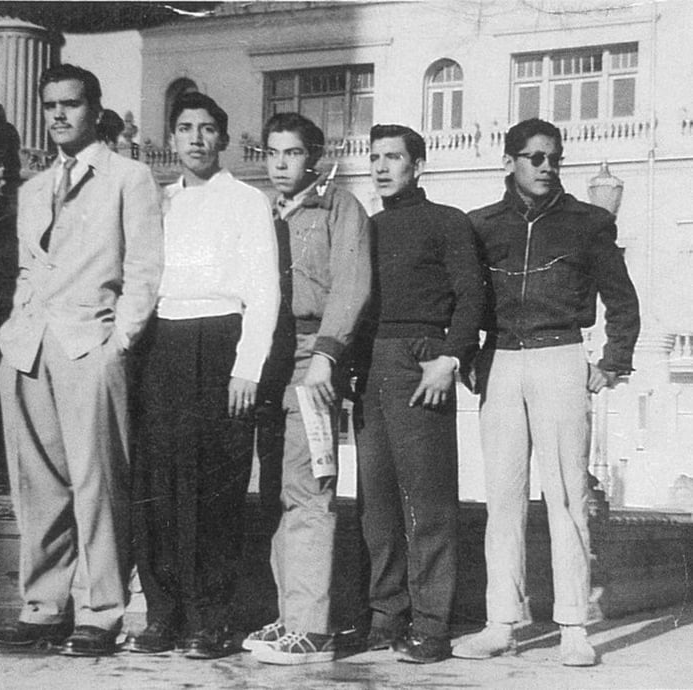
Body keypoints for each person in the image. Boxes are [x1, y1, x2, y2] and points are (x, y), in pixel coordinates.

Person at [452, 118, 640, 667]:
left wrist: (613, 361)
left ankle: (574, 627)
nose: (546, 166)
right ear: (509, 161)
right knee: (503, 499)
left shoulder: (588, 222)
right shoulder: (480, 225)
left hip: (561, 357)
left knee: (566, 497)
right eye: (533, 157)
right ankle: (500, 623)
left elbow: (621, 301)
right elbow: (464, 301)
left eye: (553, 157)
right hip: (502, 361)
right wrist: (466, 356)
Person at [0, 64, 163, 657]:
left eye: (70, 104)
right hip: (28, 348)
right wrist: (13, 334)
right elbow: (26, 270)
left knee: (99, 483)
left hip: (91, 344)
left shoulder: (129, 177)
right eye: (50, 105)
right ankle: (42, 606)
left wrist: (121, 342)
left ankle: (102, 609)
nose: (59, 115)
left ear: (93, 108)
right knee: (36, 486)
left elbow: (143, 269)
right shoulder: (33, 189)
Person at [129, 92, 279, 660]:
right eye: (185, 128)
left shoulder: (246, 200)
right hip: (161, 346)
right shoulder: (157, 202)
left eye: (207, 128)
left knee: (214, 490)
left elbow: (264, 290)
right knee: (157, 486)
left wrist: (247, 366)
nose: (195, 138)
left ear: (222, 138)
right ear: (170, 138)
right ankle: (163, 614)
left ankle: (210, 619)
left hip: (220, 343)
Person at [355, 124, 485, 664]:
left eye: (394, 158)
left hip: (421, 360)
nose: (382, 167)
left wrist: (450, 358)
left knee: (427, 501)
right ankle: (386, 617)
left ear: (418, 166)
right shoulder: (367, 227)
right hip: (372, 365)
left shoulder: (447, 223)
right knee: (376, 504)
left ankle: (432, 624)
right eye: (375, 157)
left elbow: (472, 294)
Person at [244, 113, 371, 665]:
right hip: (267, 357)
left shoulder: (340, 207)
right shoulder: (261, 210)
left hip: (314, 356)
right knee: (275, 489)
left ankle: (312, 628)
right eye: (271, 152)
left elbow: (352, 283)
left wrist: (326, 354)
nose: (279, 164)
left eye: (292, 153)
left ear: (314, 156)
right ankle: (287, 617)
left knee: (311, 489)